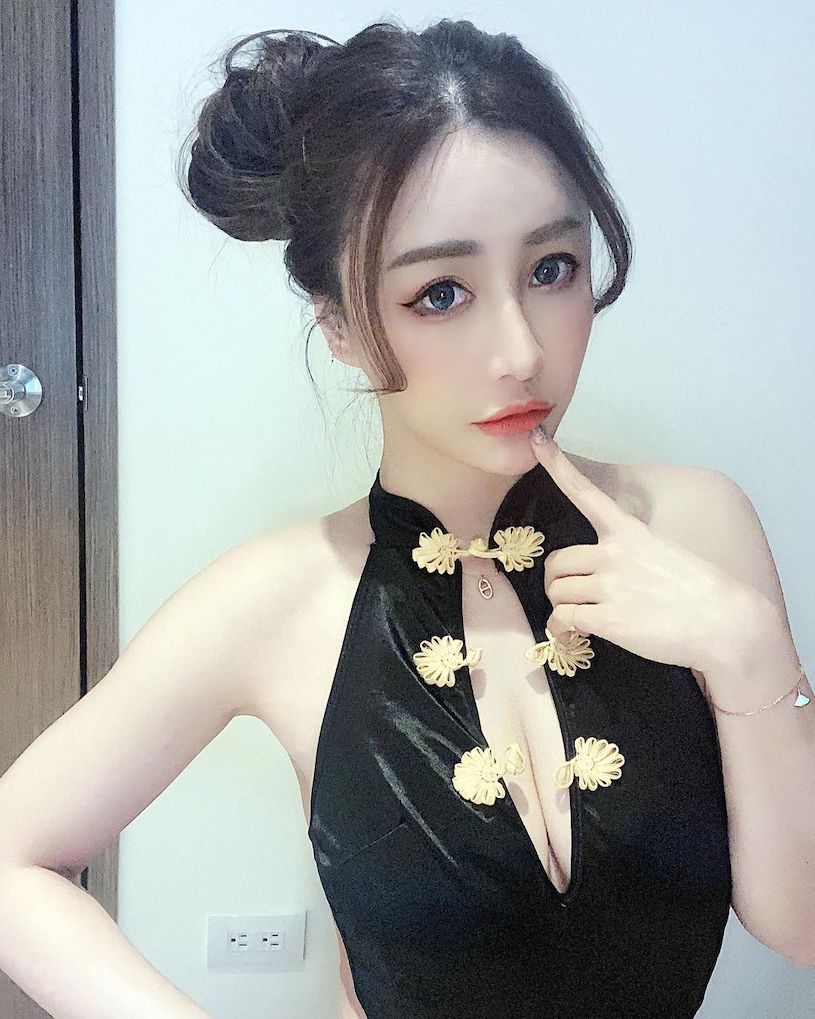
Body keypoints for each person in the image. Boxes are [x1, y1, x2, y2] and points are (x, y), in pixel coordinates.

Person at [0, 16, 810, 1019]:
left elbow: (798, 924)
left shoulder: (692, 525)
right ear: (339, 324)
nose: (519, 351)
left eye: (551, 268)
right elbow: (12, 858)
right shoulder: (277, 599)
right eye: (440, 293)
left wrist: (751, 657)